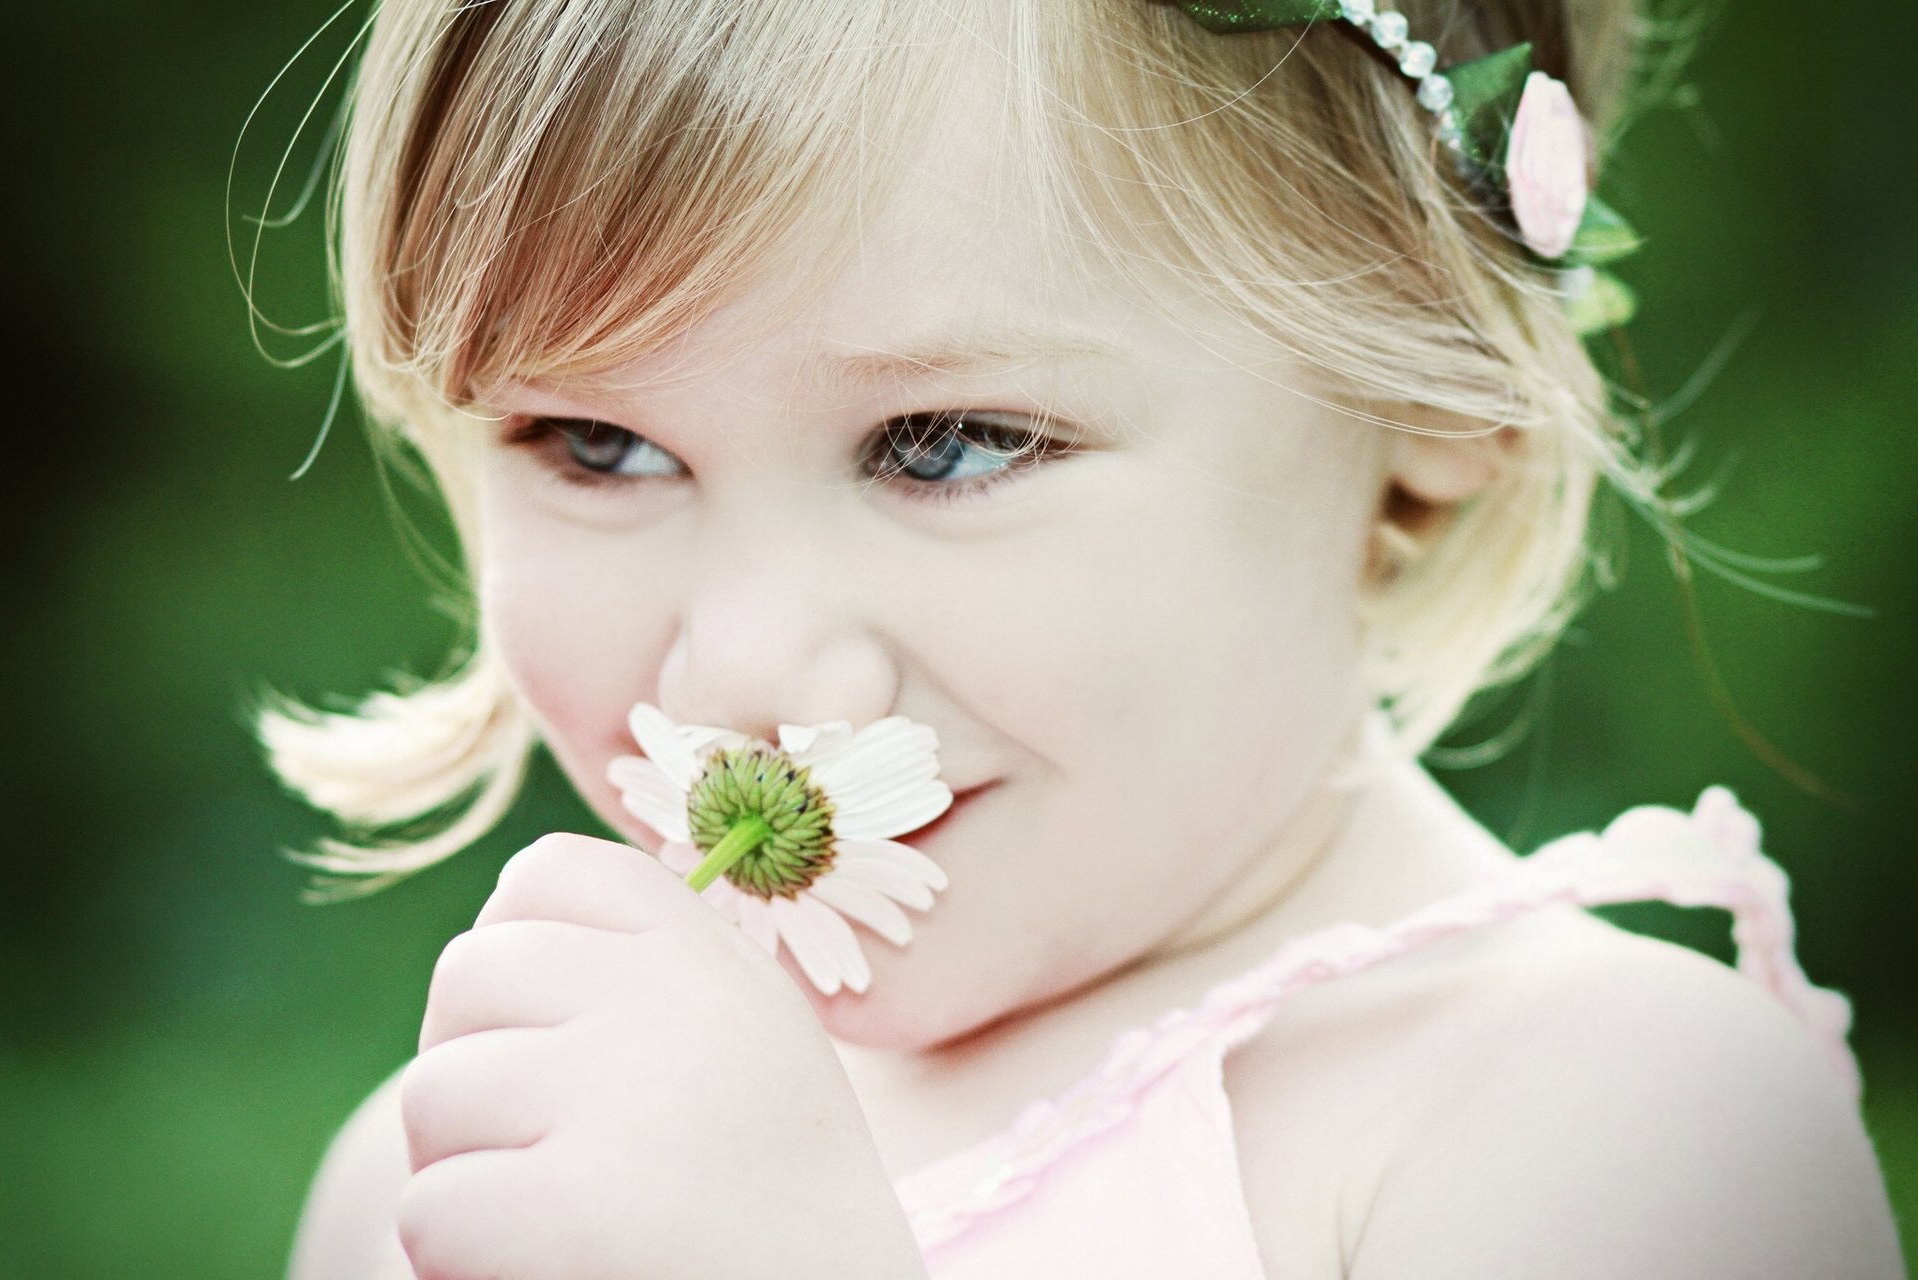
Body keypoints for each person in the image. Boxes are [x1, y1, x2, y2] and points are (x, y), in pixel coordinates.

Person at [265, 0, 1902, 1275]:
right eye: (595, 445)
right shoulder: (438, 1174)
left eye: (949, 441)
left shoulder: (1610, 1129)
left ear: (1426, 385)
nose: (746, 671)